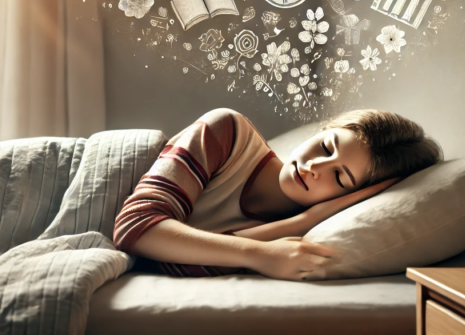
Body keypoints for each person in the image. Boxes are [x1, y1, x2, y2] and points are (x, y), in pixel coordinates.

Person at [113, 107, 442, 281]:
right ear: (324, 129)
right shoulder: (228, 131)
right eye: (327, 146)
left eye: (339, 177)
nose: (315, 166)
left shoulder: (305, 227)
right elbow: (134, 226)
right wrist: (260, 254)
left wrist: (301, 223)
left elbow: (168, 264)